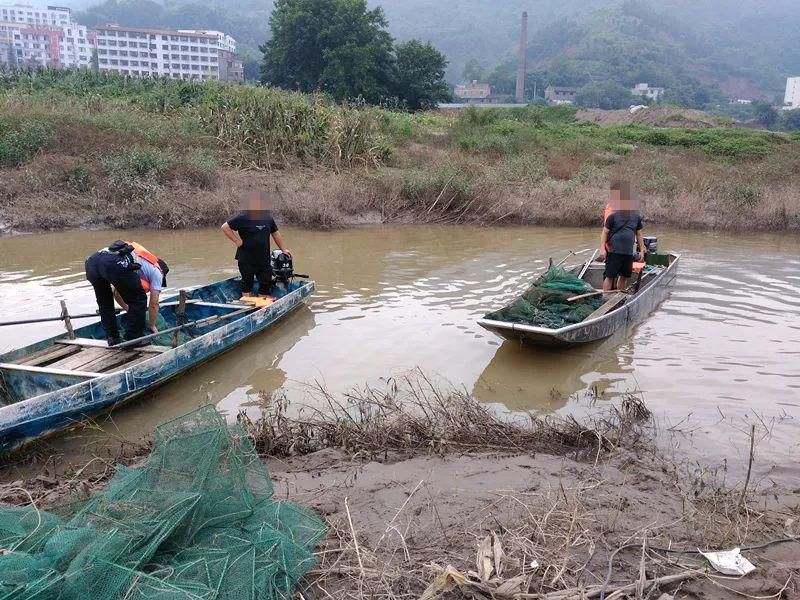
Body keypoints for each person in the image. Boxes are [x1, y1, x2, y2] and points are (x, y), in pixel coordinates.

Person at [84, 241, 169, 347]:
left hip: (91, 262)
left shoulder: (139, 260)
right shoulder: (157, 272)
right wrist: (152, 325)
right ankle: (132, 339)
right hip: (113, 263)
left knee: (105, 303)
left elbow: (115, 292)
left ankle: (112, 337)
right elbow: (153, 304)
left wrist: (130, 311)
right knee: (139, 300)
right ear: (162, 271)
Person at [221, 190, 291, 297]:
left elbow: (275, 234)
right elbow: (225, 227)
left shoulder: (267, 218)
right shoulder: (243, 216)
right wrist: (236, 240)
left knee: (265, 283)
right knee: (247, 283)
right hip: (246, 258)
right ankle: (248, 307)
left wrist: (283, 249)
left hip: (263, 259)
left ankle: (263, 308)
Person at [599, 181, 645, 292]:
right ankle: (605, 297)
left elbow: (639, 234)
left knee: (624, 277)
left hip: (628, 253)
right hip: (614, 251)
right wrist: (602, 249)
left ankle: (620, 297)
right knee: (609, 276)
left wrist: (642, 250)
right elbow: (605, 232)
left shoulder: (636, 217)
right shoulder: (613, 216)